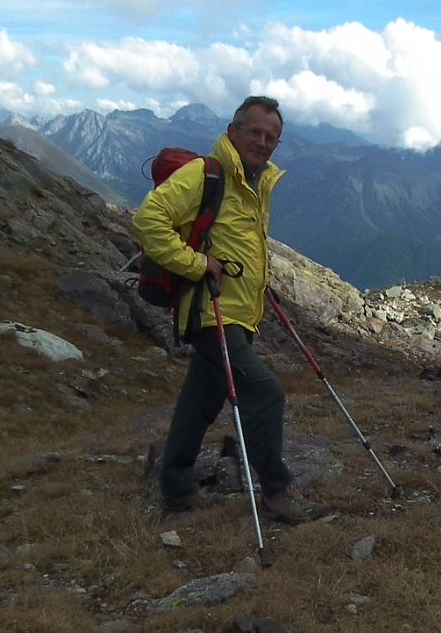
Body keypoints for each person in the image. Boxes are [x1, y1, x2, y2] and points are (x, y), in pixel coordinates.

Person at [132, 95, 324, 524]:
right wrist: (196, 264)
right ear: (233, 130)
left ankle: (177, 487)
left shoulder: (254, 182)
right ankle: (276, 491)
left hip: (238, 312)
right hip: (210, 313)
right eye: (254, 131)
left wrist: (257, 279)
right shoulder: (206, 173)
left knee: (200, 401)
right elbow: (149, 219)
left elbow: (235, 240)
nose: (262, 141)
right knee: (264, 392)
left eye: (271, 137)